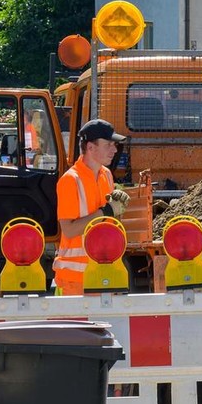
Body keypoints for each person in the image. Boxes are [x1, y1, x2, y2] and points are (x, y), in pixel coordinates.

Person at [55, 119, 130, 294]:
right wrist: (106, 211)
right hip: (76, 279)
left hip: (105, 271)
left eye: (114, 144)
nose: (114, 149)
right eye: (108, 145)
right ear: (90, 147)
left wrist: (118, 209)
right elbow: (69, 230)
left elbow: (110, 224)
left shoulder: (107, 175)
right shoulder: (69, 180)